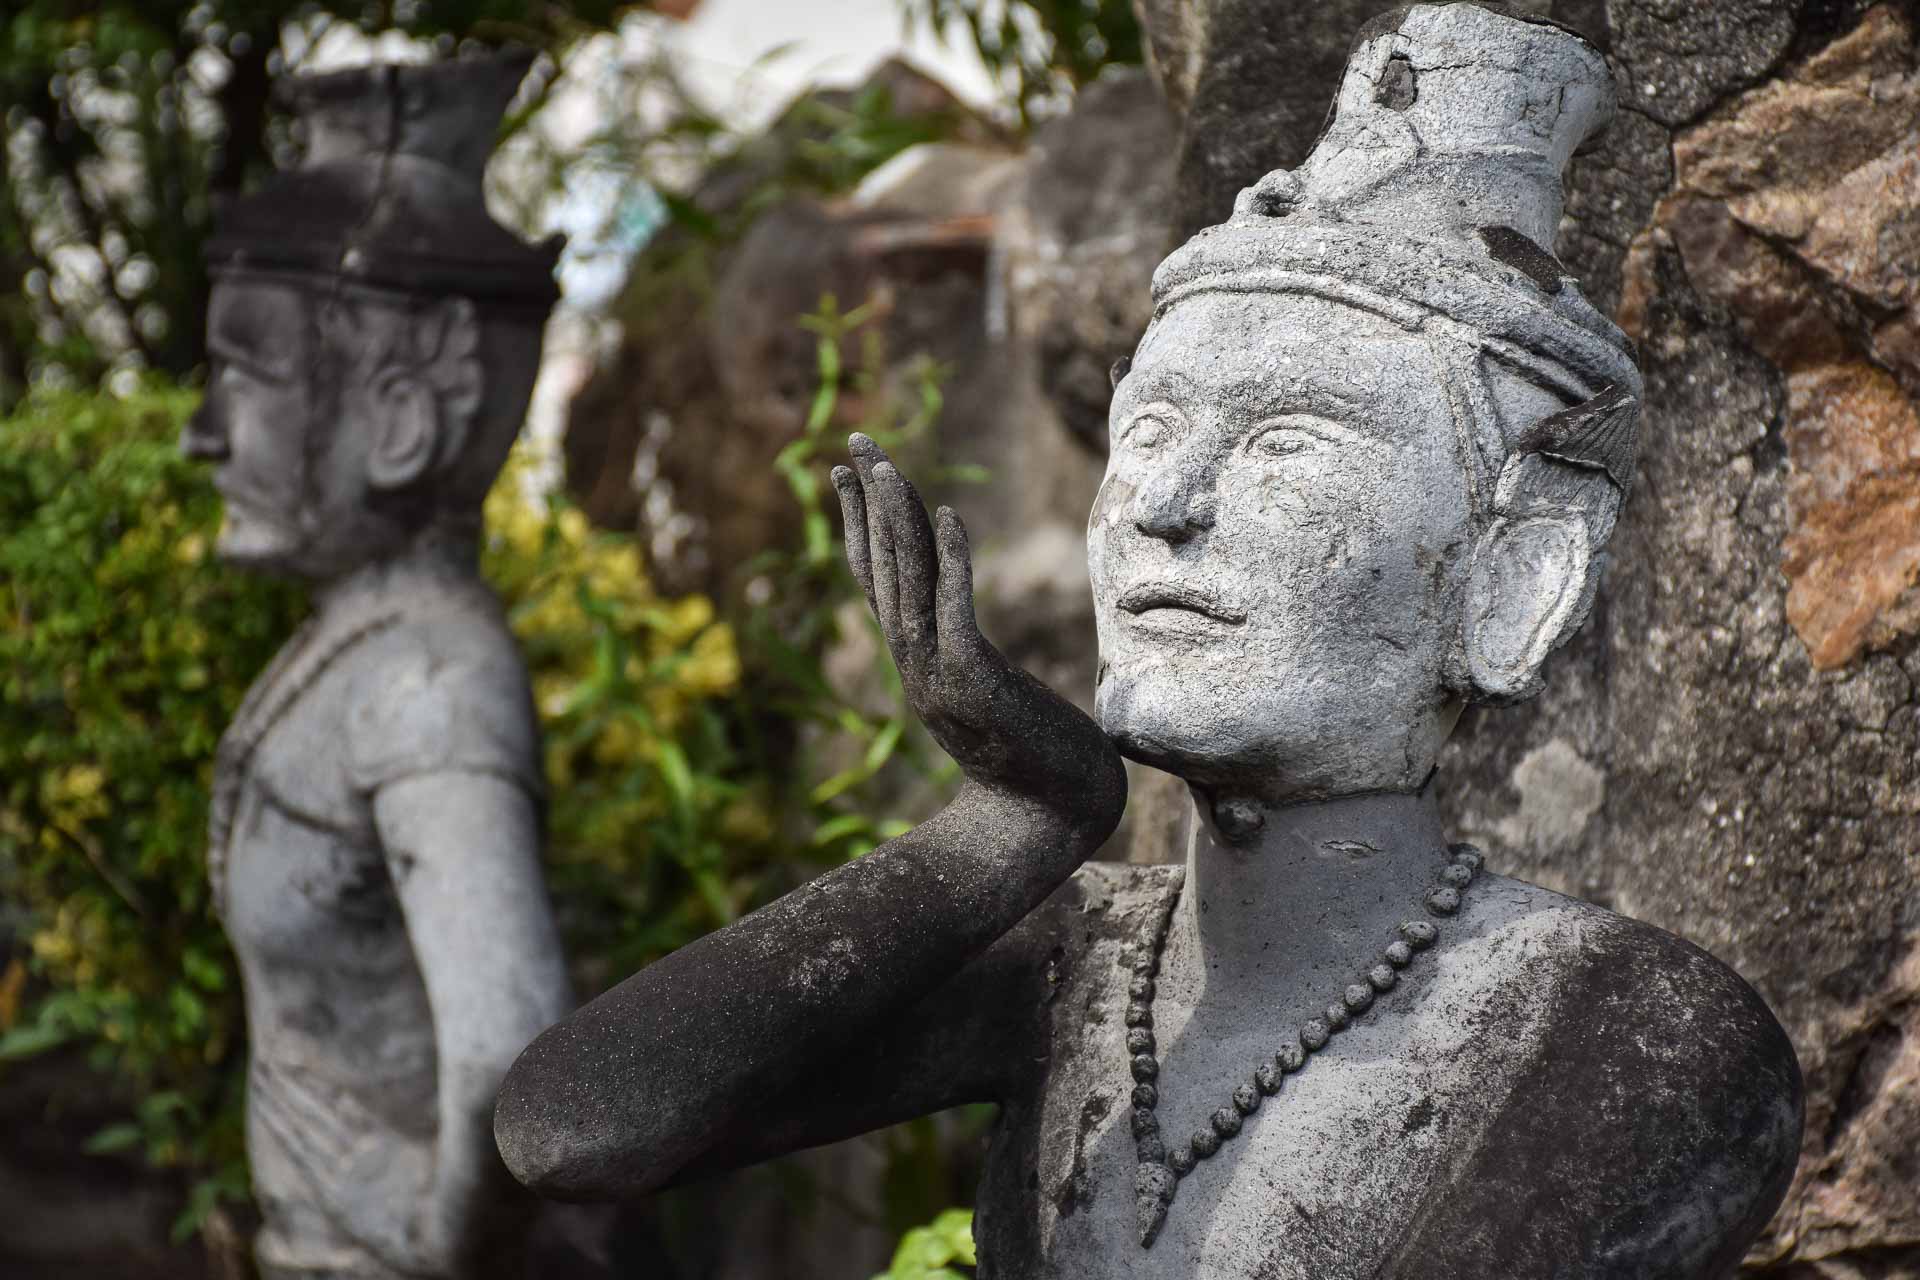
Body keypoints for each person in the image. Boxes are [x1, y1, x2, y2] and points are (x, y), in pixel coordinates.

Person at [495, 7, 1803, 1276]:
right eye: (1155, 433)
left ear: (1516, 578)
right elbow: (577, 1125)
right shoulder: (1081, 959)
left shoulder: (1624, 1029)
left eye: (1289, 444)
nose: (1168, 507)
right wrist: (1009, 823)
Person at [181, 53, 572, 1280]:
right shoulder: (365, 647)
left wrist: (440, 1246)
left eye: (241, 378)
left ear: (400, 418)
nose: (203, 431)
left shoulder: (426, 682)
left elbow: (509, 1048)